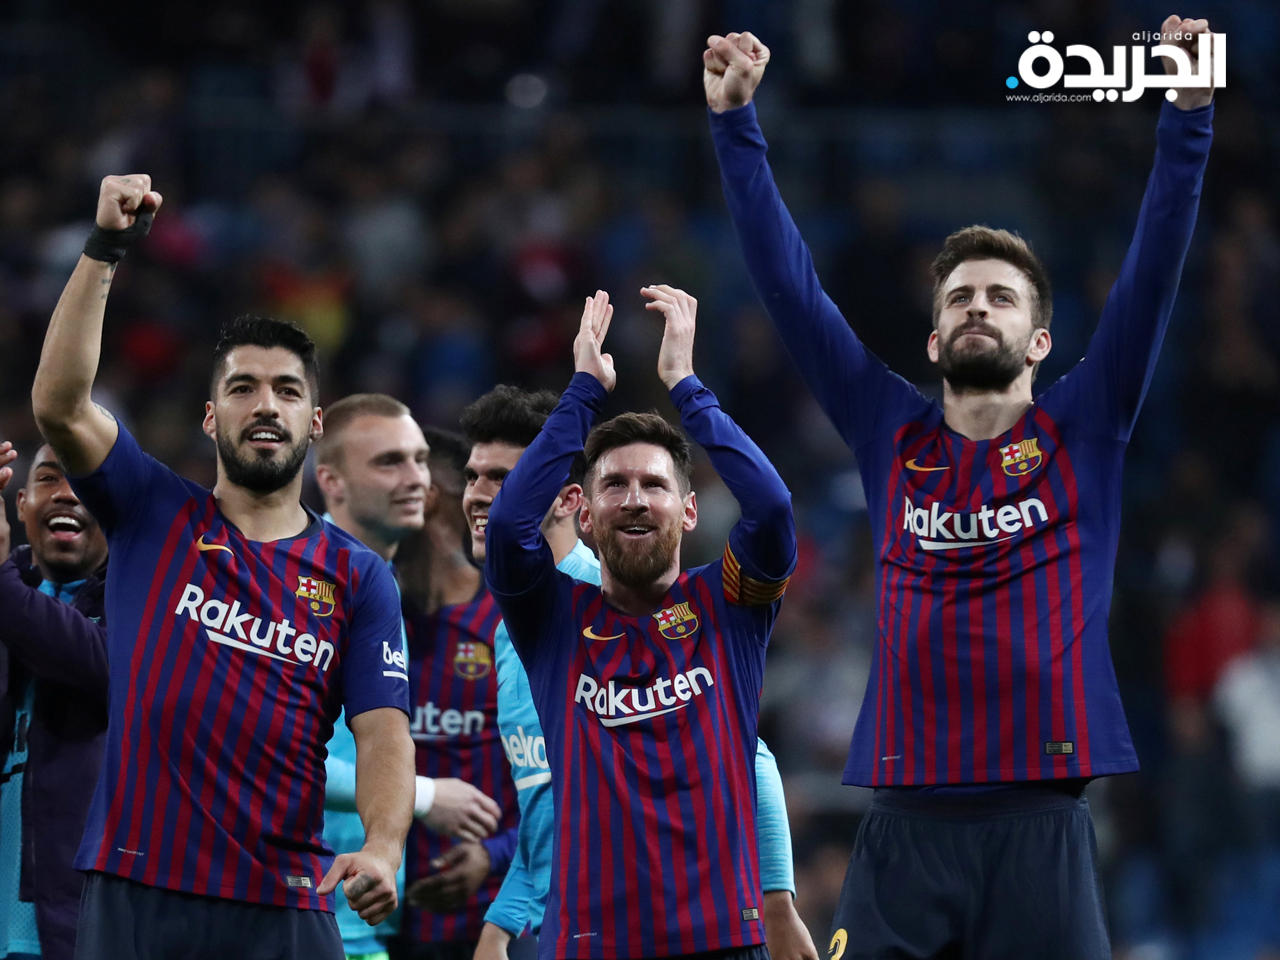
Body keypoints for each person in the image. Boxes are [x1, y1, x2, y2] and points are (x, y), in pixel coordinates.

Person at [702, 16, 1215, 958]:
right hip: (905, 825)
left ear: (1041, 341)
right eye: (961, 298)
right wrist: (736, 125)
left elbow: (1154, 270)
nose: (979, 305)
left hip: (1043, 825)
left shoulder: (1087, 426)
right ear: (935, 341)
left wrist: (1188, 113)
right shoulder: (888, 430)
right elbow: (791, 291)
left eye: (1001, 297)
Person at [30, 176, 414, 960]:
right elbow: (60, 406)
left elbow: (382, 732)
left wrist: (382, 847)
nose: (265, 405)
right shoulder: (150, 509)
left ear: (314, 421)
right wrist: (105, 249)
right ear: (211, 417)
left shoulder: (358, 576)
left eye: (286, 391)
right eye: (243, 388)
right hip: (138, 888)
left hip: (284, 901)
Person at [486, 285, 796, 960]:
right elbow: (508, 526)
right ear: (584, 515)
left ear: (689, 511)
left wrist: (686, 386)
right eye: (614, 485)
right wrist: (582, 393)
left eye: (655, 485)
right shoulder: (552, 619)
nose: (635, 500)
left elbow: (772, 508)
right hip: (592, 945)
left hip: (722, 941)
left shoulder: (729, 603)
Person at [314, 394, 503, 960]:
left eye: (420, 460)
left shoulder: (386, 589)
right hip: (302, 907)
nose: (417, 479)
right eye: (389, 462)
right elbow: (275, 757)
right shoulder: (304, 587)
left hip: (368, 917)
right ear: (331, 481)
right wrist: (424, 796)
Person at [392, 427, 518, 960]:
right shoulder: (370, 619)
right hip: (384, 925)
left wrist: (494, 854)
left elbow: (564, 782)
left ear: (429, 496)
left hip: (498, 923)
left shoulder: (509, 622)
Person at [0, 442, 108, 960]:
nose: (68, 493)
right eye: (48, 478)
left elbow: (100, 665)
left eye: (86, 482)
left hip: (77, 933)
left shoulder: (147, 600)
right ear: (21, 504)